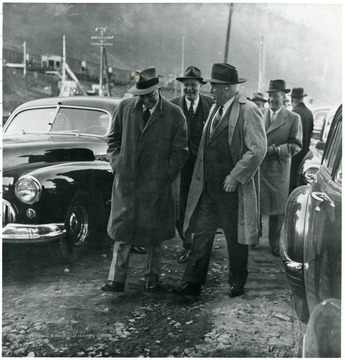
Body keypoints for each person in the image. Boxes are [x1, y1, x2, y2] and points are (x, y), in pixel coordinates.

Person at [177, 63, 267, 298]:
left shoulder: (248, 110)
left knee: (235, 237)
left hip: (231, 189)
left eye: (215, 87)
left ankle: (238, 281)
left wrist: (235, 176)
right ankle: (192, 282)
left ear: (227, 88)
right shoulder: (215, 110)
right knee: (202, 234)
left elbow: (257, 149)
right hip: (209, 188)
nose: (210, 91)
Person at [102, 66, 188, 293]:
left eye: (148, 95)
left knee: (154, 234)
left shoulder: (173, 114)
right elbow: (112, 141)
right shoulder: (125, 108)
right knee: (122, 231)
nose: (144, 100)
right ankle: (116, 280)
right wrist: (118, 163)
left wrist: (165, 176)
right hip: (127, 181)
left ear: (157, 92)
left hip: (156, 184)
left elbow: (181, 151)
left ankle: (153, 280)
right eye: (140, 96)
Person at [171, 66, 213, 263]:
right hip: (180, 168)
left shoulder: (211, 105)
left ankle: (198, 245)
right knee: (180, 206)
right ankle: (187, 244)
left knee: (200, 206)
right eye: (186, 85)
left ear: (200, 86)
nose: (189, 89)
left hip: (202, 166)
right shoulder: (173, 106)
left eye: (193, 85)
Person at [260, 79, 303, 257]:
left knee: (277, 209)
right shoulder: (259, 113)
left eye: (276, 96)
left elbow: (297, 145)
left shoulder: (293, 118)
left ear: (283, 97)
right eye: (270, 96)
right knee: (257, 204)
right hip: (260, 168)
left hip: (279, 168)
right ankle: (255, 235)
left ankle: (275, 242)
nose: (272, 100)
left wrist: (277, 150)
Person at [289, 87, 314, 192]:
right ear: (302, 98)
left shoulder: (293, 113)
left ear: (292, 99)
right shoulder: (309, 113)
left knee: (291, 186)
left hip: (294, 156)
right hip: (305, 156)